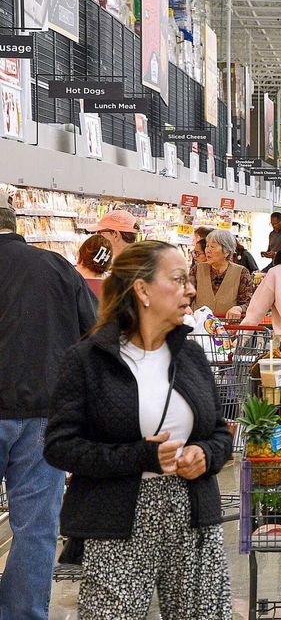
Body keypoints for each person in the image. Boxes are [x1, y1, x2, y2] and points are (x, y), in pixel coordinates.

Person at [44, 241, 233, 620]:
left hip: (193, 516)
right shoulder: (87, 361)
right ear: (142, 290)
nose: (190, 290)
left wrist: (206, 455)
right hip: (116, 521)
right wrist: (140, 456)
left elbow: (219, 433)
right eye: (178, 280)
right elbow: (60, 446)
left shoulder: (191, 356)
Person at [0, 194, 97, 620]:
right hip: (45, 412)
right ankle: (23, 614)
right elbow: (93, 334)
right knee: (36, 528)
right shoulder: (56, 267)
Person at [191, 228, 255, 318]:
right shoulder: (197, 269)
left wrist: (238, 308)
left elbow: (248, 302)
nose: (208, 250)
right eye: (207, 246)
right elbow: (186, 295)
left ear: (226, 252)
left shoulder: (241, 272)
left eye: (212, 247)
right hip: (200, 327)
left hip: (228, 327)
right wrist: (185, 307)